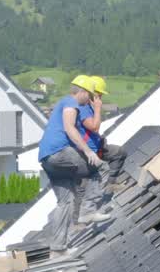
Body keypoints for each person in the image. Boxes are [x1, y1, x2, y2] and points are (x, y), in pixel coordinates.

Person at [36, 76, 102, 257]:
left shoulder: (63, 103)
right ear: (81, 91)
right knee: (96, 167)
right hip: (59, 151)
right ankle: (88, 211)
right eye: (88, 95)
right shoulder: (70, 103)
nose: (88, 100)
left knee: (66, 202)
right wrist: (88, 151)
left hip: (47, 158)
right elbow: (70, 128)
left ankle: (58, 249)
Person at [77, 75, 127, 223]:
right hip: (85, 152)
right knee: (99, 171)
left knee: (119, 152)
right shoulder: (83, 109)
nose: (100, 98)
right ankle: (87, 210)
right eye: (98, 94)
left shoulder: (89, 108)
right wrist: (98, 108)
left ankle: (111, 185)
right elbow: (94, 127)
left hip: (97, 147)